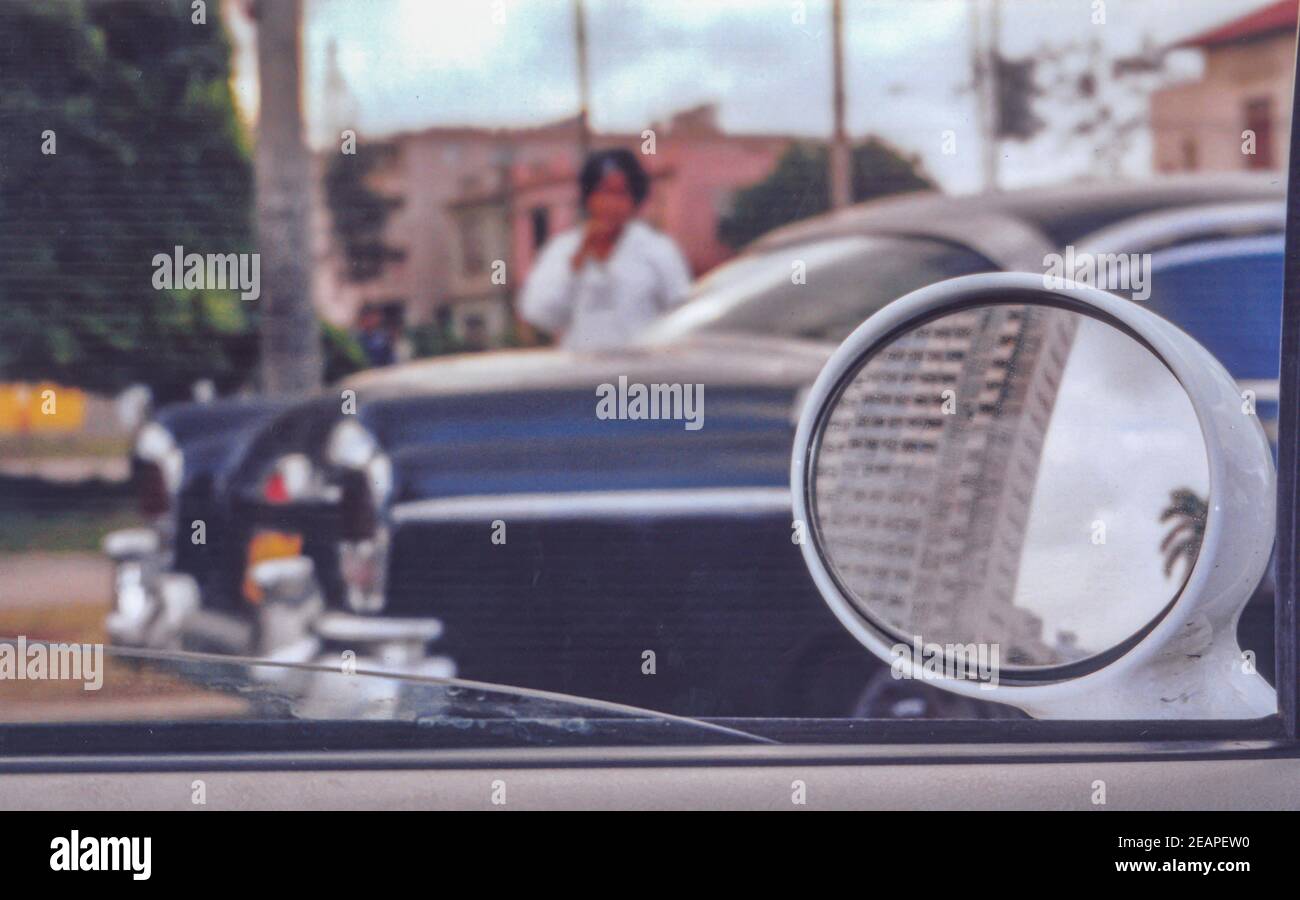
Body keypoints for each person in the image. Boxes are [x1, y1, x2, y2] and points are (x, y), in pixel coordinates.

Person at [519, 149, 692, 351]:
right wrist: (578, 261)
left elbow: (682, 312)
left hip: (642, 375)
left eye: (621, 194)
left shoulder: (657, 248)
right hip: (580, 374)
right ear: (588, 196)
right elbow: (538, 313)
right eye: (603, 192)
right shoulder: (562, 249)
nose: (611, 203)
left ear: (635, 199)